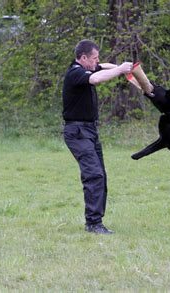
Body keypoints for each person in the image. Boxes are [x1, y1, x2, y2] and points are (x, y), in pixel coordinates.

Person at [62, 39, 133, 234]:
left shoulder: (89, 67)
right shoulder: (75, 73)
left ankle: (96, 221)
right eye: (94, 58)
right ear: (83, 58)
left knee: (100, 174)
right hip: (77, 132)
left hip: (90, 131)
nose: (97, 61)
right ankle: (93, 224)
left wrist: (121, 67)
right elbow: (96, 79)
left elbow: (104, 67)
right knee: (93, 174)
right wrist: (120, 71)